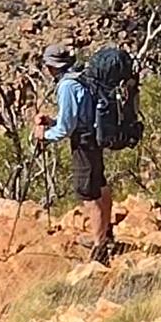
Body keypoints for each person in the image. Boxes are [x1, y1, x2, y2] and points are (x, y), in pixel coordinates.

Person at [32, 44, 113, 260]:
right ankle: (105, 235)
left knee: (88, 194)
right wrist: (53, 121)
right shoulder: (81, 77)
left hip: (83, 143)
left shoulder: (67, 85)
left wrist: (44, 135)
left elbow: (66, 129)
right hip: (95, 137)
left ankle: (100, 250)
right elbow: (77, 115)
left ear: (51, 67)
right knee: (100, 185)